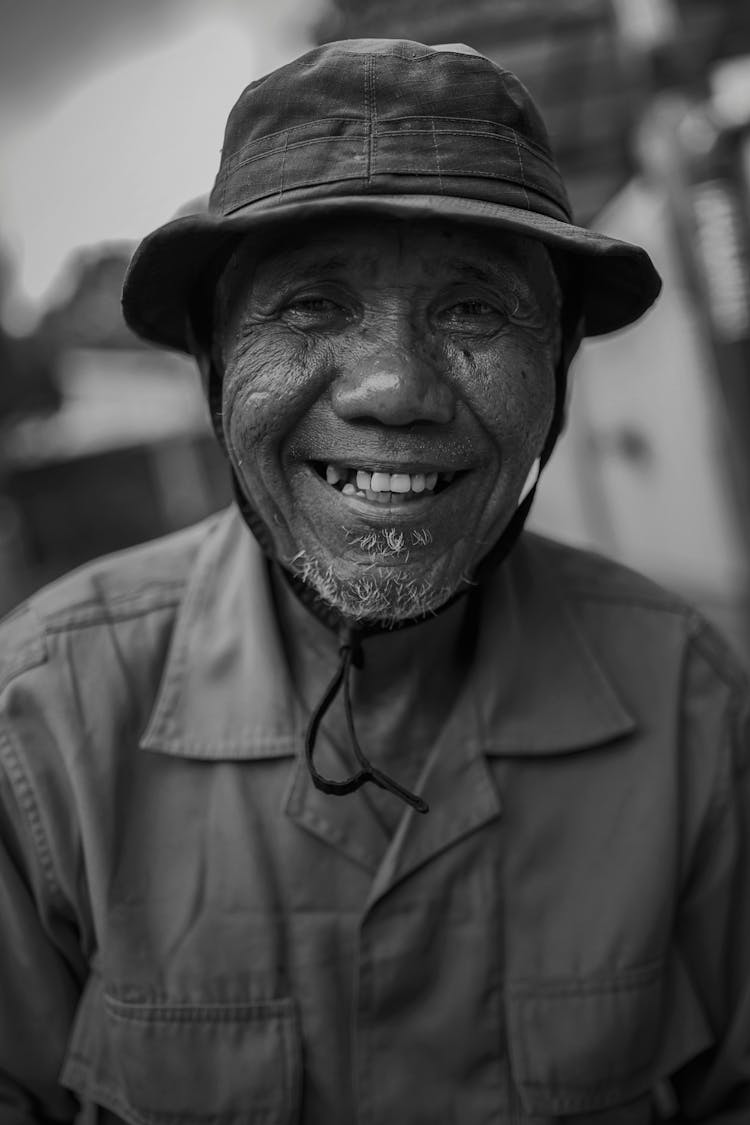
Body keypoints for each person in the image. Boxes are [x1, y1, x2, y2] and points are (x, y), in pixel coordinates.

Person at [0, 37, 748, 1125]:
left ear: (559, 372)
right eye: (309, 307)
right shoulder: (41, 725)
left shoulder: (689, 696)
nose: (395, 388)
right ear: (217, 368)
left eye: (477, 311)